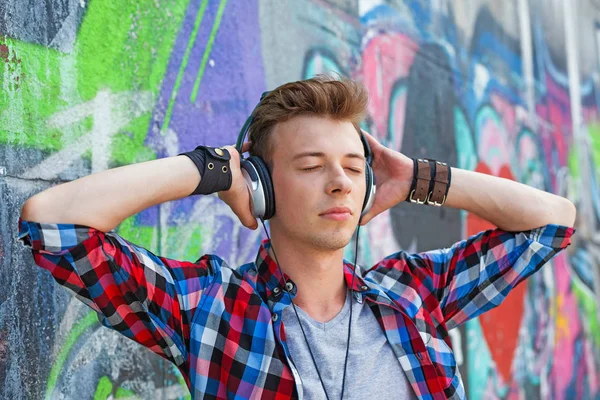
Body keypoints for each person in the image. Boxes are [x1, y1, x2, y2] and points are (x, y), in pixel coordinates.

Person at [18, 75, 576, 400]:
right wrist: (209, 171)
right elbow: (50, 222)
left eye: (355, 168)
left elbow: (552, 221)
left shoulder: (412, 293)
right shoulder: (211, 308)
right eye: (311, 165)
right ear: (261, 186)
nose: (339, 182)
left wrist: (420, 180)